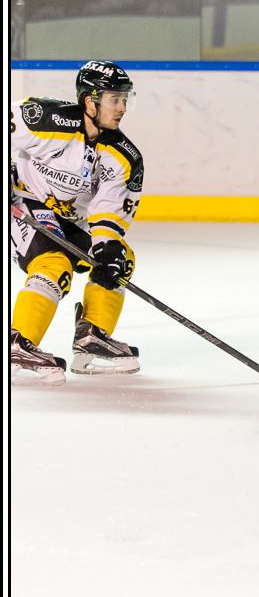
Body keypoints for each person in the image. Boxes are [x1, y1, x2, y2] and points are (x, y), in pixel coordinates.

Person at [10, 61, 144, 385]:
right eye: (114, 99)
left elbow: (108, 213)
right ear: (90, 101)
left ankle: (91, 337)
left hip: (70, 220)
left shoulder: (125, 157)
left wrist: (106, 248)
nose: (122, 108)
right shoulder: (46, 119)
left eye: (125, 99)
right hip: (23, 201)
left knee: (119, 258)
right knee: (54, 262)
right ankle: (16, 343)